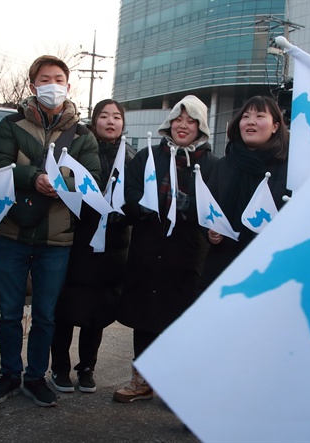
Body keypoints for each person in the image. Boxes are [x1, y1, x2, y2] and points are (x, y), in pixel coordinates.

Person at [0, 55, 101, 407]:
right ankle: (9, 374)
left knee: (45, 315)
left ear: (68, 86)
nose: (51, 84)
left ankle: (35, 376)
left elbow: (91, 178)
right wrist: (33, 178)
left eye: (58, 78)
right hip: (10, 233)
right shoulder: (10, 125)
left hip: (57, 240)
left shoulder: (83, 135)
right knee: (9, 313)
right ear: (33, 85)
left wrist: (58, 180)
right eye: (44, 78)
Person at [114, 95, 218, 403]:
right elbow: (129, 190)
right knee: (146, 314)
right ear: (168, 122)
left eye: (190, 121)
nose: (182, 126)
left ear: (201, 127)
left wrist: (190, 207)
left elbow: (216, 206)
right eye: (178, 119)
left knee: (181, 319)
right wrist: (147, 207)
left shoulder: (211, 164)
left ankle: (177, 385)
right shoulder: (148, 156)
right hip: (148, 246)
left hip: (187, 253)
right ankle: (141, 379)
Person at [49, 99, 136, 394]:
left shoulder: (132, 158)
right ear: (94, 120)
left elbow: (137, 198)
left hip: (114, 245)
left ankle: (87, 367)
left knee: (97, 312)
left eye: (116, 117)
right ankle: (59, 367)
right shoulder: (80, 150)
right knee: (66, 308)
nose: (111, 122)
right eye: (104, 116)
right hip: (79, 240)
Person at [198, 95, 290, 292]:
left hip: (266, 270)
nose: (251, 121)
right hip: (222, 267)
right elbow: (209, 210)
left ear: (275, 126)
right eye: (246, 116)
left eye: (259, 116)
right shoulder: (224, 165)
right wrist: (211, 232)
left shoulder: (288, 169)